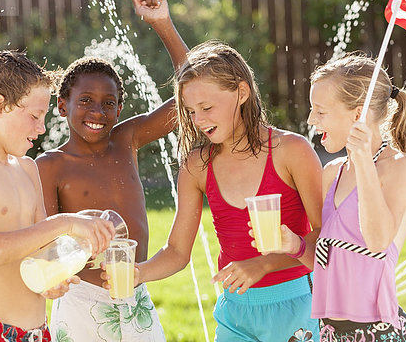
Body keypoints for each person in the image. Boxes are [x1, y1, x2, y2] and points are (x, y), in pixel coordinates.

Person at [131, 40, 323, 341]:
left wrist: (263, 264)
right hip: (235, 311)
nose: (199, 120)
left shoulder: (291, 151)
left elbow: (324, 236)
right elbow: (178, 251)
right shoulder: (197, 166)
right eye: (191, 111)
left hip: (297, 305)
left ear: (242, 92)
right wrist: (139, 273)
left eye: (207, 107)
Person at [35, 0, 188, 342]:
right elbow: (43, 238)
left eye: (108, 103)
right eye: (85, 100)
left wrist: (163, 23)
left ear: (120, 108)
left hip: (135, 293)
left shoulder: (126, 139)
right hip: (81, 301)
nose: (97, 111)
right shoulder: (51, 165)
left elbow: (189, 92)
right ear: (62, 106)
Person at [0, 50, 115, 342]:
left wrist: (50, 280)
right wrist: (66, 222)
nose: (41, 128)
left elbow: (41, 252)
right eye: (34, 116)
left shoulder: (27, 168)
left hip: (38, 333)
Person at [275, 53, 406, 341]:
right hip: (331, 332)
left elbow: (378, 241)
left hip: (378, 332)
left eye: (320, 111)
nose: (310, 120)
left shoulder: (400, 166)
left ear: (358, 115)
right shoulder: (332, 172)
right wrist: (294, 245)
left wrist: (364, 163)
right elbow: (331, 263)